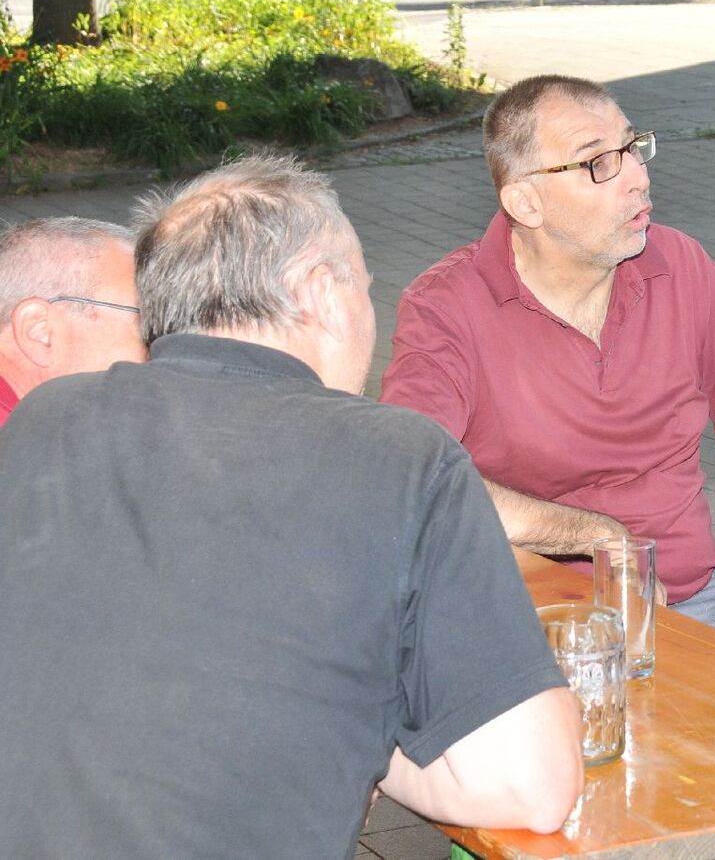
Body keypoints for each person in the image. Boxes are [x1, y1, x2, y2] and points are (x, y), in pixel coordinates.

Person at [0, 157, 582, 857]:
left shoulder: (44, 417)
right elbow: (531, 783)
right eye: (365, 285)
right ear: (321, 293)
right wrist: (361, 720)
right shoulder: (399, 457)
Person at [383, 75, 715, 663]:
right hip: (521, 616)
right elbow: (411, 478)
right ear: (525, 202)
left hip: (690, 602)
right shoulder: (446, 307)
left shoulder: (677, 264)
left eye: (632, 147)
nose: (637, 177)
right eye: (597, 163)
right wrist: (597, 535)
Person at [0, 216, 147, 428]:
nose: (161, 345)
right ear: (40, 332)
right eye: (144, 321)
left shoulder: (31, 425)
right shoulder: (17, 441)